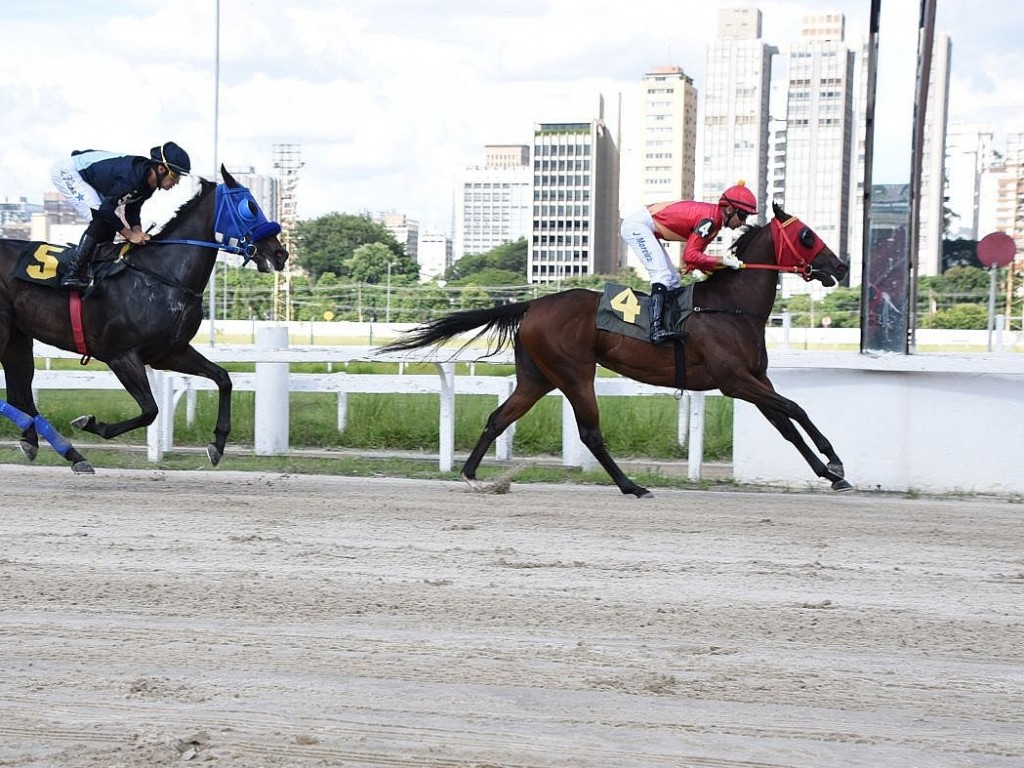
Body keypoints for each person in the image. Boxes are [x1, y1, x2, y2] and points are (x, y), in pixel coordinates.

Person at [620, 181, 758, 343]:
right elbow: (690, 256)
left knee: (673, 279)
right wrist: (722, 260)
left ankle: (670, 324)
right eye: (743, 216)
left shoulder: (714, 221)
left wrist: (699, 265)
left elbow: (694, 257)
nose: (743, 222)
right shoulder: (711, 221)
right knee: (663, 275)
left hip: (644, 226)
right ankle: (655, 330)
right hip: (637, 226)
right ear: (729, 209)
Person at [50, 141, 192, 290]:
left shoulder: (149, 183)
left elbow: (132, 209)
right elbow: (105, 210)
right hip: (69, 171)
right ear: (161, 168)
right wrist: (129, 235)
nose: (176, 182)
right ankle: (72, 272)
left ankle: (94, 270)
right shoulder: (133, 177)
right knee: (101, 219)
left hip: (89, 177)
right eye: (175, 175)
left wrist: (137, 231)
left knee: (109, 223)